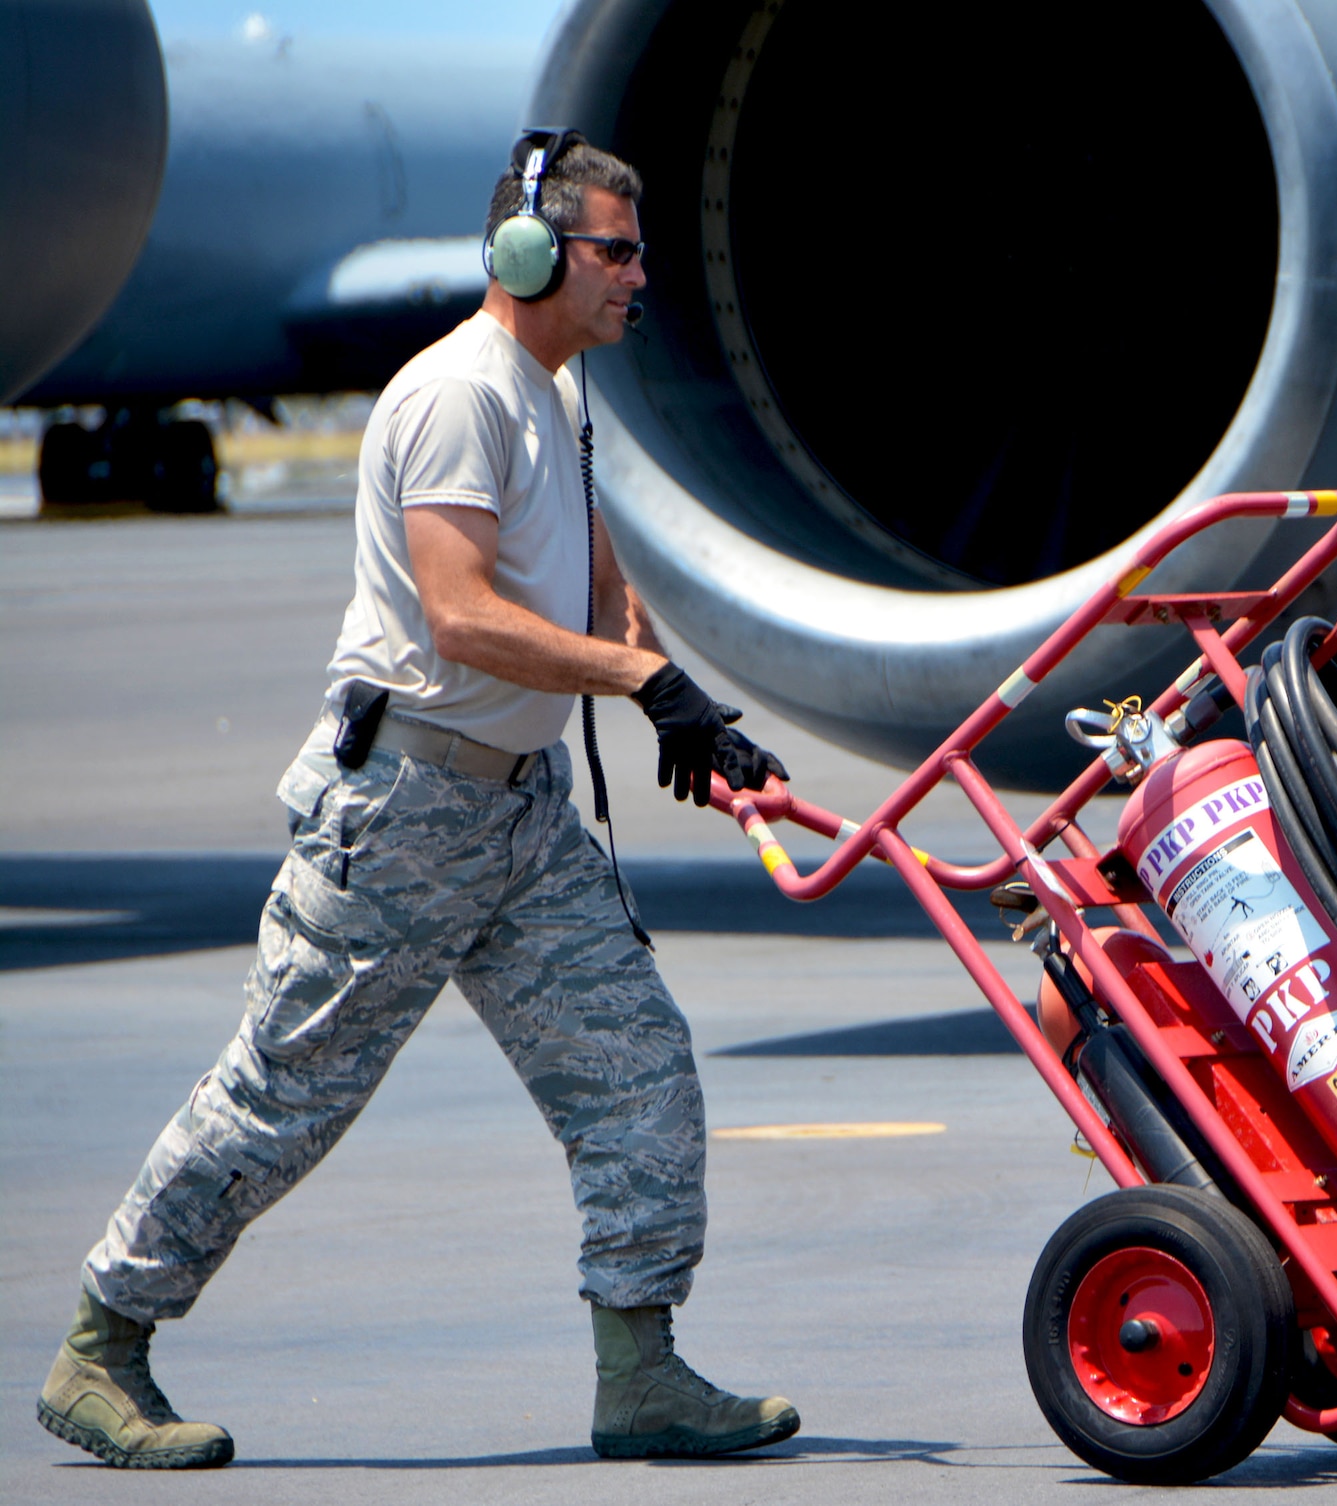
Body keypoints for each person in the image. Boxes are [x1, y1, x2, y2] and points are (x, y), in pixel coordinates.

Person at [37, 130, 798, 1470]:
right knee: (283, 1099)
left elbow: (596, 578)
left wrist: (683, 706)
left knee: (639, 1069)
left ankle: (642, 1370)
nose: (639, 278)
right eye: (616, 252)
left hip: (517, 814)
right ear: (531, 253)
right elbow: (461, 615)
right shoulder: (458, 394)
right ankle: (102, 1345)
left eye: (639, 253)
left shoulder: (553, 396)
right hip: (403, 810)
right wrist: (635, 677)